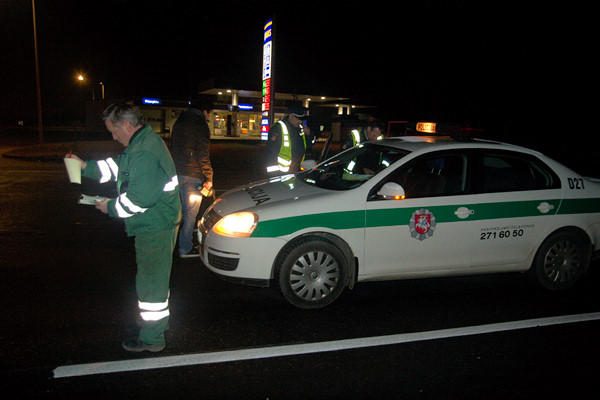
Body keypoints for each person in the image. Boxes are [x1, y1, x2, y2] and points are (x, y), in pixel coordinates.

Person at [65, 103, 181, 353]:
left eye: (114, 131)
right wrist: (86, 166)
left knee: (151, 284)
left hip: (155, 224)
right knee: (152, 282)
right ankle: (154, 325)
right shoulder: (141, 144)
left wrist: (111, 207)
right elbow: (119, 168)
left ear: (127, 125)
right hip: (156, 222)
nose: (113, 136)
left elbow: (140, 199)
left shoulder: (143, 152)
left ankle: (152, 339)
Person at [170, 98, 214, 258]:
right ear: (204, 111)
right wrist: (209, 177)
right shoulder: (200, 125)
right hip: (192, 174)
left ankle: (171, 244)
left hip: (176, 173)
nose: (209, 116)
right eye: (209, 113)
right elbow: (203, 154)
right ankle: (185, 248)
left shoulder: (179, 121)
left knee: (177, 212)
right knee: (190, 215)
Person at [266, 103, 308, 174]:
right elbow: (271, 152)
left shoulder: (300, 128)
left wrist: (309, 135)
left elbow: (305, 146)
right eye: (298, 118)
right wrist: (275, 175)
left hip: (296, 168)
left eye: (302, 119)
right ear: (291, 116)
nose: (300, 121)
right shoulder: (278, 128)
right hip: (281, 171)